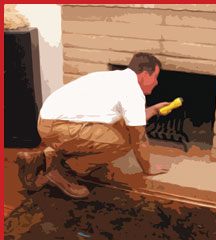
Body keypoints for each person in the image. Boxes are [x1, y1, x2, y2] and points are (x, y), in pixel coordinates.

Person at [16, 53, 171, 199]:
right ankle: (62, 171)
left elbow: (132, 119)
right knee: (128, 139)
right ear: (145, 75)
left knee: (122, 128)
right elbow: (140, 139)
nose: (156, 83)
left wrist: (154, 110)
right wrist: (148, 168)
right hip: (59, 128)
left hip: (49, 121)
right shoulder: (133, 91)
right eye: (155, 77)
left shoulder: (116, 77)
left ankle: (42, 158)